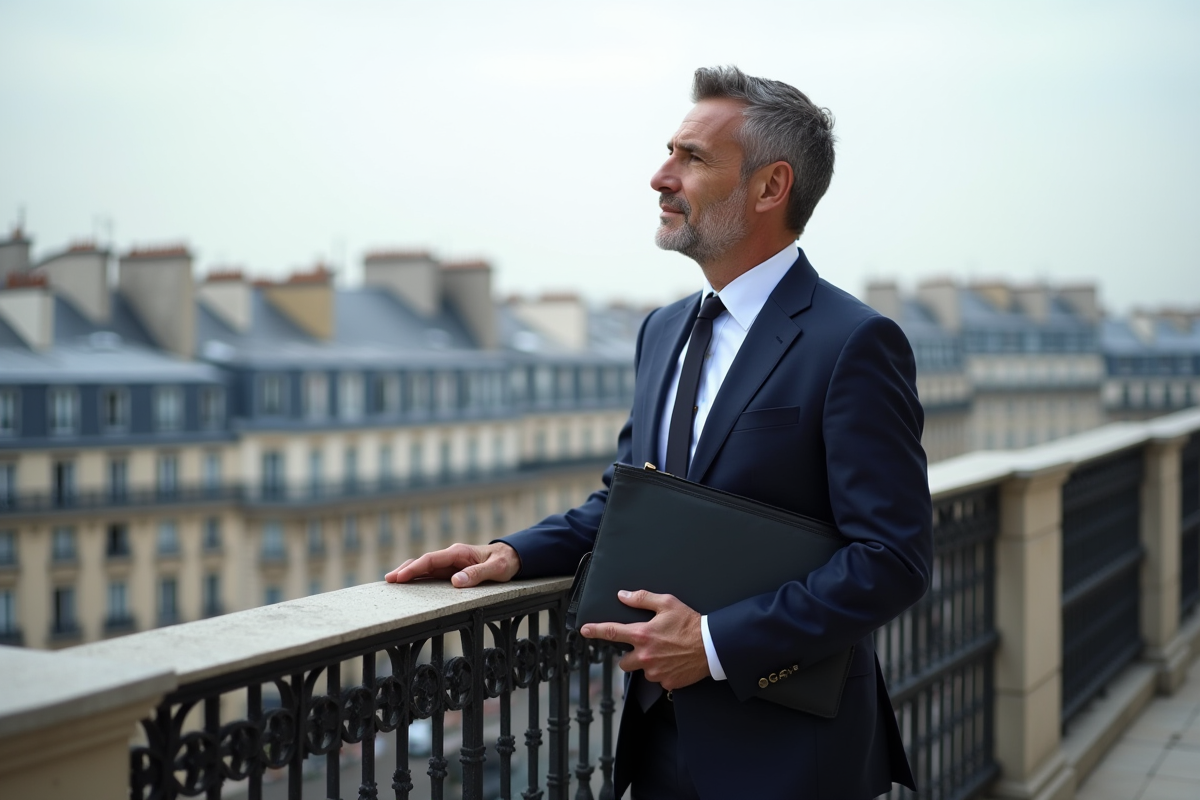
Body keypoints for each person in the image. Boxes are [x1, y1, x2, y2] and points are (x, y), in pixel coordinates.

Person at [387, 65, 932, 800]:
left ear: (771, 188)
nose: (659, 176)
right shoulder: (664, 330)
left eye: (691, 157)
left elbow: (892, 559)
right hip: (660, 745)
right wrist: (512, 552)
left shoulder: (855, 342)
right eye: (668, 152)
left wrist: (712, 646)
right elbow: (629, 499)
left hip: (793, 756)